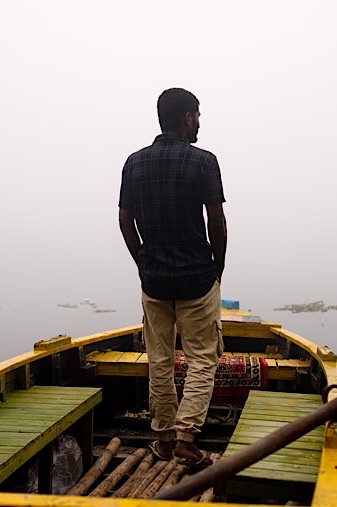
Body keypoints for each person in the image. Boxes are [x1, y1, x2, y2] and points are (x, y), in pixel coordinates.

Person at [118, 87, 227, 468]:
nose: (199, 122)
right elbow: (216, 220)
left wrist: (142, 260)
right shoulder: (204, 162)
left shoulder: (134, 163)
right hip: (197, 276)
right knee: (202, 358)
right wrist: (218, 266)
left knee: (159, 358)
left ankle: (163, 438)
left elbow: (125, 220)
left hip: (155, 280)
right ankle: (186, 439)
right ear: (186, 118)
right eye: (197, 115)